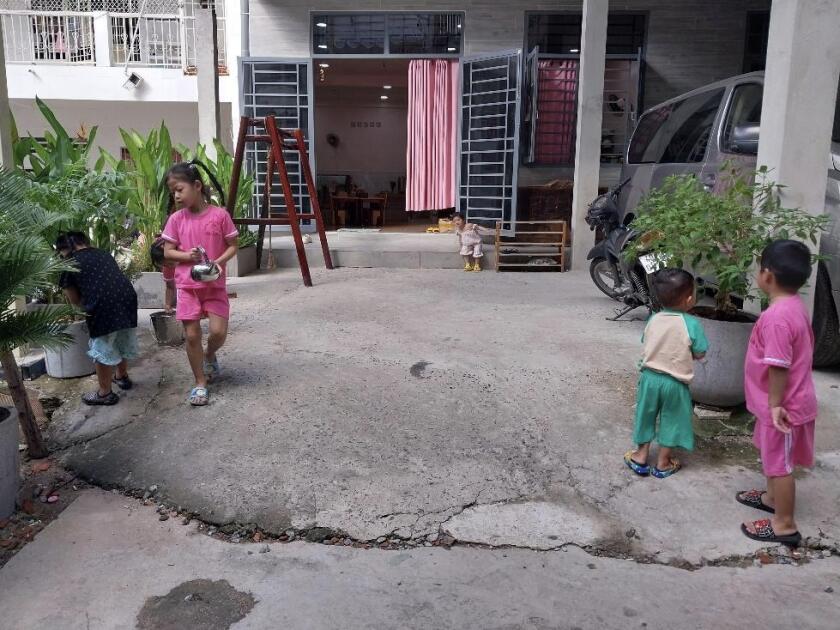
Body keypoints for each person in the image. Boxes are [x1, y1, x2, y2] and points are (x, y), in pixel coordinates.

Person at [737, 240, 817, 548]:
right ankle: (771, 498)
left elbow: (780, 366)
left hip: (783, 409)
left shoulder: (777, 318)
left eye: (759, 268)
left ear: (767, 276)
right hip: (779, 404)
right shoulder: (794, 306)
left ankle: (784, 524)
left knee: (780, 466)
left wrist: (774, 405)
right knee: (773, 458)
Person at [161, 161, 238, 407]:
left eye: (179, 189)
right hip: (187, 287)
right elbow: (167, 252)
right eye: (173, 191)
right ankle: (200, 382)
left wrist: (217, 262)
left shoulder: (220, 215)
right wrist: (187, 257)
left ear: (197, 186)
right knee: (192, 335)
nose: (176, 195)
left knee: (218, 332)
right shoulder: (176, 220)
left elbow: (233, 245)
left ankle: (210, 354)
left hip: (214, 285)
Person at [624, 268, 708, 478]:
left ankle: (640, 455)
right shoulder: (692, 324)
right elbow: (700, 352)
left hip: (650, 378)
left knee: (645, 415)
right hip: (676, 383)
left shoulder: (654, 318)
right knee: (673, 419)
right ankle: (663, 462)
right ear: (689, 299)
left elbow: (647, 341)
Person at [56, 231, 139, 406]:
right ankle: (122, 376)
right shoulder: (103, 253)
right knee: (121, 336)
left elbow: (75, 300)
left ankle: (105, 393)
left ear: (64, 250)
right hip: (127, 298)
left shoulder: (69, 263)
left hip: (102, 305)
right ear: (85, 242)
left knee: (101, 346)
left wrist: (87, 311)